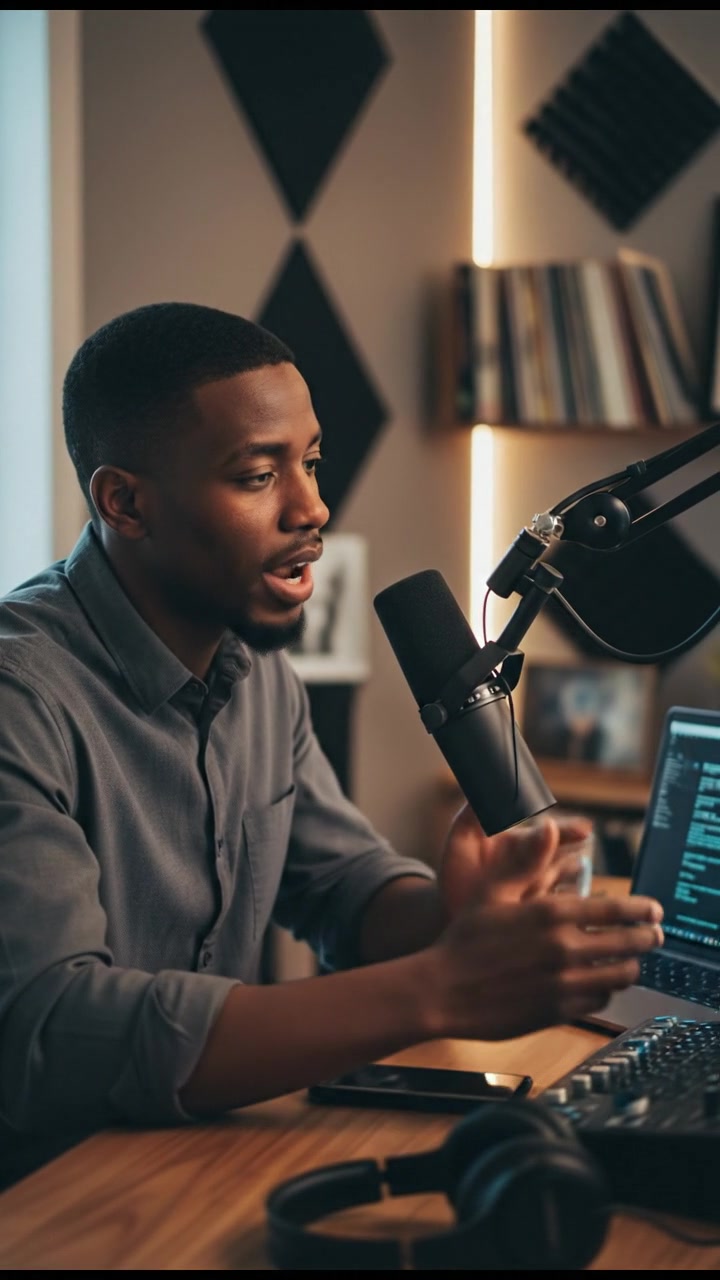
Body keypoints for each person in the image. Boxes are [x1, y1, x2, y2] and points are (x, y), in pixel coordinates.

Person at [0, 302, 664, 1190]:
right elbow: (51, 1031)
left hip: (189, 1163)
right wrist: (443, 987)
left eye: (310, 462)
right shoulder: (20, 697)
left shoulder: (258, 675)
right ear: (125, 501)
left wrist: (450, 916)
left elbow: (347, 890)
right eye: (256, 476)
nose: (312, 507)